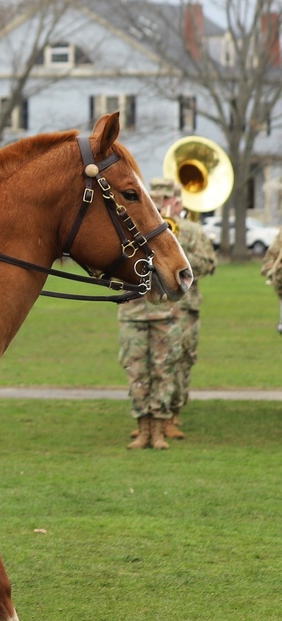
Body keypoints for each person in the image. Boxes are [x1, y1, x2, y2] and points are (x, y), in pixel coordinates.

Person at [117, 179, 185, 450]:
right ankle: (143, 429)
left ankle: (158, 431)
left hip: (164, 313)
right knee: (136, 372)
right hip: (133, 313)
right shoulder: (127, 233)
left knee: (163, 371)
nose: (159, 200)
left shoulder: (168, 231)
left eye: (163, 197)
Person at [164, 184, 217, 438]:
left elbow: (209, 263)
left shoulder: (193, 231)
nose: (163, 203)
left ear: (179, 203)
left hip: (185, 306)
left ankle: (174, 412)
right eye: (157, 198)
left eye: (167, 199)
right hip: (154, 306)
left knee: (181, 359)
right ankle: (152, 416)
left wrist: (179, 257)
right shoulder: (142, 225)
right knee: (154, 361)